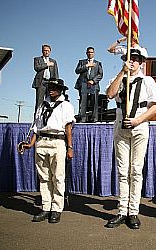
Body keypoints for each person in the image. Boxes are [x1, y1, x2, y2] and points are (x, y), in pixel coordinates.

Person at [105, 47, 156, 229]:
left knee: (136, 170)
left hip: (139, 126)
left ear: (141, 62)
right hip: (121, 126)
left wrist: (138, 120)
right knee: (122, 171)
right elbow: (110, 94)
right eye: (130, 58)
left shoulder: (148, 81)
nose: (133, 61)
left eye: (136, 59)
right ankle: (122, 211)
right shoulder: (119, 78)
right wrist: (122, 72)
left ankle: (133, 212)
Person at [22, 78, 75, 223]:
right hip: (41, 143)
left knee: (58, 177)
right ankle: (46, 207)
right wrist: (31, 143)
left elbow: (68, 128)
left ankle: (57, 209)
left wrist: (70, 147)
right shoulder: (42, 105)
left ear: (61, 89)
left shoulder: (66, 105)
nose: (51, 89)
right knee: (43, 177)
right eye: (49, 86)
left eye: (54, 87)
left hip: (57, 141)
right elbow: (36, 127)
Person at [75, 46, 103, 123]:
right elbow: (77, 71)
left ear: (94, 53)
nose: (90, 54)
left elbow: (100, 75)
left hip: (94, 84)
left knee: (94, 102)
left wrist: (93, 81)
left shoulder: (98, 63)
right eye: (89, 52)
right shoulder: (82, 62)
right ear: (86, 53)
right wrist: (86, 66)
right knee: (83, 102)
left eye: (92, 52)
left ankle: (94, 118)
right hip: (83, 83)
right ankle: (82, 118)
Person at [32, 44, 59, 111]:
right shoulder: (37, 59)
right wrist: (47, 64)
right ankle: (37, 119)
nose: (46, 52)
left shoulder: (53, 61)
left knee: (49, 101)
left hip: (50, 82)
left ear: (50, 52)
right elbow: (36, 68)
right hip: (41, 82)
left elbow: (56, 72)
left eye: (48, 51)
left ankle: (47, 118)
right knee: (39, 101)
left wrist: (56, 82)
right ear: (42, 51)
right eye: (45, 50)